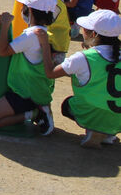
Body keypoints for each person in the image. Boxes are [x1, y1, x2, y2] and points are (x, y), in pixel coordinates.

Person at [0, 0, 57, 134]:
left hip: (24, 93)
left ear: (30, 11)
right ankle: (39, 109)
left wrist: (4, 25)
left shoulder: (30, 35)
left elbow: (3, 51)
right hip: (38, 89)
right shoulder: (46, 33)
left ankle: (33, 113)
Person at [49, 10, 121, 148]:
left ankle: (95, 129)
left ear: (93, 34)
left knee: (67, 105)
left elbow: (51, 73)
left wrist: (46, 48)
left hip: (92, 114)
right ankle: (108, 134)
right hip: (118, 117)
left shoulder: (83, 57)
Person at [37, 0, 71, 65]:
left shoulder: (55, 3)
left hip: (55, 46)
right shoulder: (53, 0)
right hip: (53, 43)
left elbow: (41, 21)